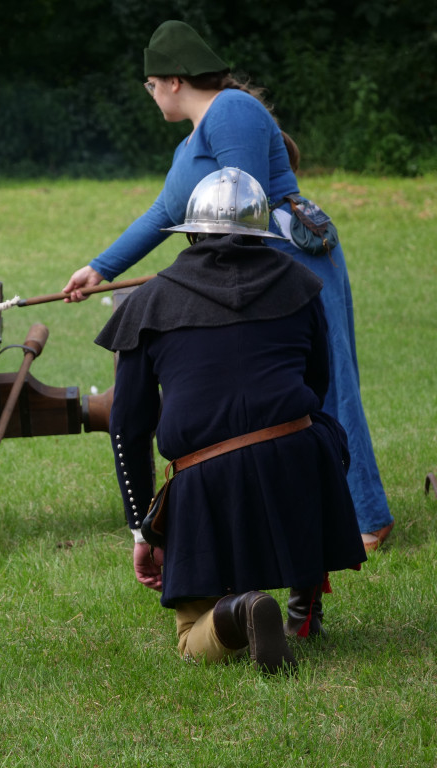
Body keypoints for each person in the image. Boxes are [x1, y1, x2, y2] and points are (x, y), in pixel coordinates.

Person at [63, 19, 393, 551]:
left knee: (328, 384)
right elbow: (162, 214)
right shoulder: (188, 146)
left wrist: (217, 270)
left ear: (172, 79)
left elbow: (244, 203)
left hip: (286, 263)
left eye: (150, 85)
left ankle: (366, 516)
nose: (151, 96)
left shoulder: (232, 110)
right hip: (247, 266)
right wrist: (101, 268)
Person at [96, 168, 366, 673]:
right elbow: (317, 385)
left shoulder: (149, 300)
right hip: (299, 458)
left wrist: (142, 530)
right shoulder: (301, 284)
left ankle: (239, 610)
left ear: (193, 234)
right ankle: (304, 596)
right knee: (318, 430)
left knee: (188, 637)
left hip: (204, 479)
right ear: (260, 233)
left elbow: (127, 426)